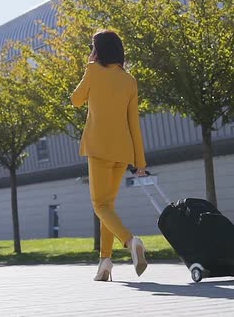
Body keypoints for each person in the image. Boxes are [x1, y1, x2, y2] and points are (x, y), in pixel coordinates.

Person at [71, 30, 148, 281]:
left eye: (92, 47)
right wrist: (140, 161)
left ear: (98, 50)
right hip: (123, 151)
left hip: (99, 148)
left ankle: (130, 241)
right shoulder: (130, 81)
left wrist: (88, 69)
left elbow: (76, 100)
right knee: (108, 207)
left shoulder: (93, 71)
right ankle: (104, 262)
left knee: (100, 205)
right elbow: (134, 124)